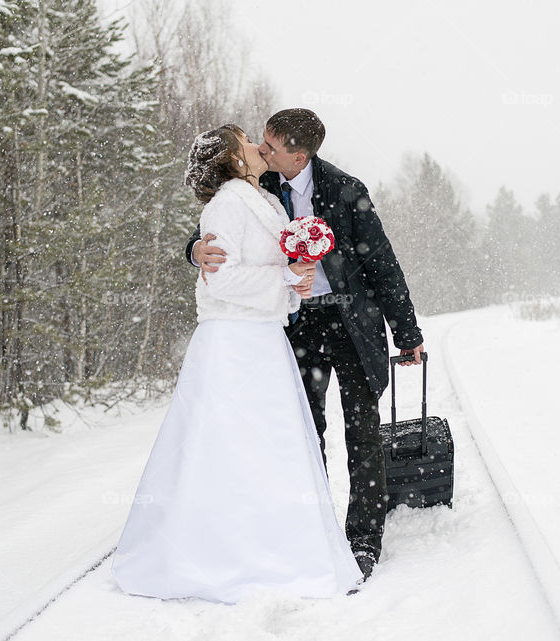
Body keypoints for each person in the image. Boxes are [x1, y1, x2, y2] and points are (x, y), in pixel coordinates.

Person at [111, 124, 363, 603]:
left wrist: (293, 283)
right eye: (246, 140)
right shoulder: (227, 202)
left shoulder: (261, 200)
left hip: (263, 339)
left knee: (268, 449)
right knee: (229, 450)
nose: (256, 145)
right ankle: (221, 556)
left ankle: (270, 548)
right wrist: (284, 278)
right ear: (233, 158)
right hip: (233, 345)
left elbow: (261, 269)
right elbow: (221, 279)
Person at [186, 109, 425, 580]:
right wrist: (192, 249)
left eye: (272, 148)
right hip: (296, 328)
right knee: (302, 433)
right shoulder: (261, 184)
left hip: (351, 323)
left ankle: (363, 538)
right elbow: (218, 226)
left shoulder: (345, 191)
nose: (262, 151)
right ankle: (315, 533)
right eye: (262, 145)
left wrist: (408, 332)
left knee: (362, 432)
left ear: (300, 155)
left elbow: (382, 265)